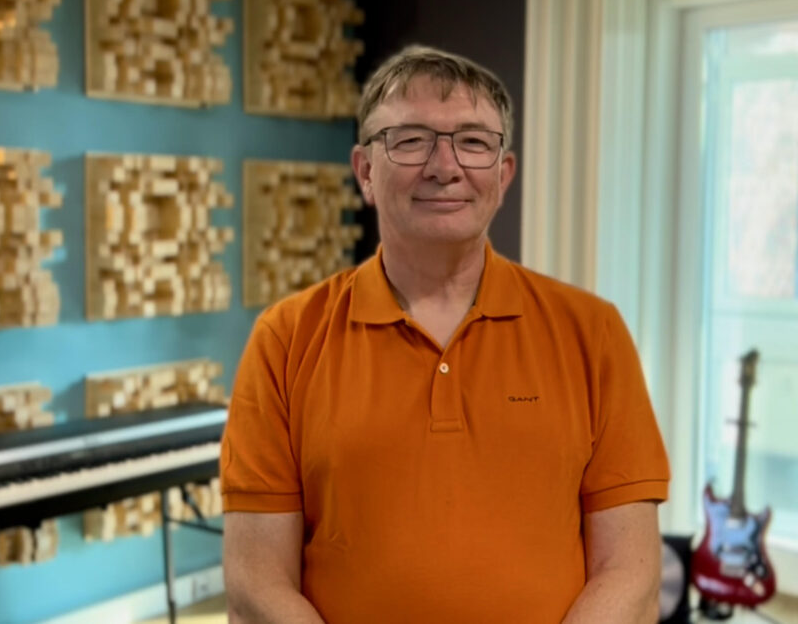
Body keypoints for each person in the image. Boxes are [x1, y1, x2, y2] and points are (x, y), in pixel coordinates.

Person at [220, 45, 670, 623]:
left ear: (503, 174)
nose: (444, 166)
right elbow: (256, 582)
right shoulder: (285, 339)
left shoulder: (593, 333)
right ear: (365, 171)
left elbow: (631, 573)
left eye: (474, 142)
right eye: (410, 140)